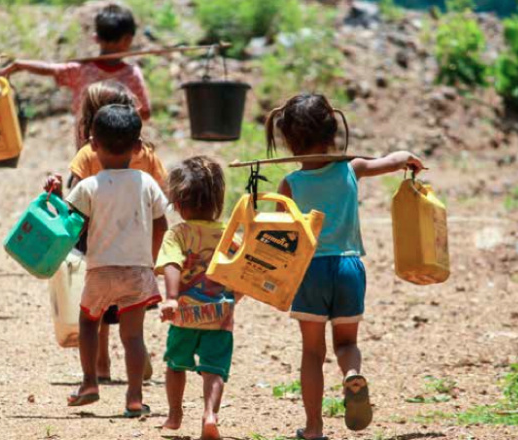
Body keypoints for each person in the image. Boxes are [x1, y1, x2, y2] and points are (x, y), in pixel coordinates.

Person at [266, 93, 424, 440]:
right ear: (334, 134)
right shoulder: (352, 169)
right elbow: (390, 159)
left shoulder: (290, 184)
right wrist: (407, 159)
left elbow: (281, 238)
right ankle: (352, 372)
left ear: (289, 142)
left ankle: (313, 428)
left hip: (310, 272)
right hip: (350, 268)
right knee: (346, 343)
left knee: (311, 351)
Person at [44, 104, 167, 417]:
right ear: (139, 147)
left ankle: (89, 383)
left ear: (93, 144)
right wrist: (149, 261)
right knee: (134, 336)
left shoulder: (88, 186)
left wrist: (56, 194)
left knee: (88, 323)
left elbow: (70, 225)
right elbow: (162, 224)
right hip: (138, 272)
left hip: (100, 272)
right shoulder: (146, 183)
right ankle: (135, 397)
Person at [69, 81, 167, 383]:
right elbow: (162, 201)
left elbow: (73, 200)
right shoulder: (146, 154)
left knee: (95, 314)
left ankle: (100, 366)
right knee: (131, 318)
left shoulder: (87, 154)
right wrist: (153, 256)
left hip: (99, 243)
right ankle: (136, 381)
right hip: (137, 245)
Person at [155, 156, 240, 440]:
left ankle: (175, 413)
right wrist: (235, 297)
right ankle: (210, 415)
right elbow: (245, 268)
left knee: (175, 364)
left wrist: (171, 298)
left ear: (177, 204)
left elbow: (172, 264)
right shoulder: (228, 234)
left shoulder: (178, 233)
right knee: (214, 369)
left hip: (184, 315)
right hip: (219, 316)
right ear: (218, 200)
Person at [0, 3, 151, 148]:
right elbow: (145, 112)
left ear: (95, 37)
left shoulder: (81, 71)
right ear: (127, 40)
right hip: (122, 149)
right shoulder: (132, 75)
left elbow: (51, 69)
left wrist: (20, 65)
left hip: (87, 147)